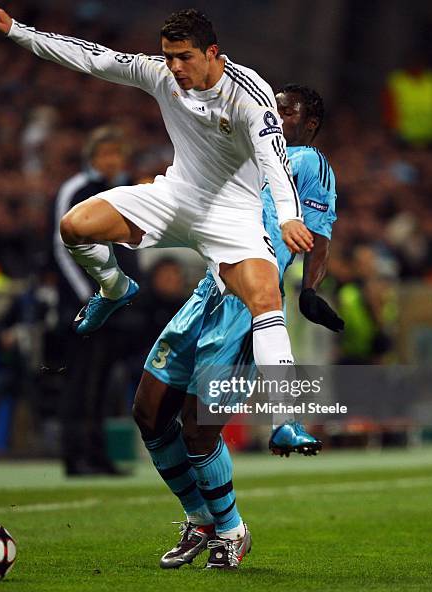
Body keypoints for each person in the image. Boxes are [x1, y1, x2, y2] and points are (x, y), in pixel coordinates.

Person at [0, 6, 313, 451]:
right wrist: (18, 31)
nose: (174, 67)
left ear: (213, 53)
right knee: (74, 226)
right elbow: (93, 58)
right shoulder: (161, 75)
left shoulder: (250, 95)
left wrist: (288, 215)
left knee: (265, 300)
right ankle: (115, 287)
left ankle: (285, 420)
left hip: (232, 215)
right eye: (168, 56)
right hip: (174, 197)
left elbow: (275, 161)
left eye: (184, 57)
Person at [132, 85, 342, 569]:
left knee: (199, 428)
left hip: (250, 303)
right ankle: (200, 520)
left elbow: (320, 236)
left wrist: (309, 291)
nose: (274, 114)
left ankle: (230, 531)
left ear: (308, 124)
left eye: (285, 111)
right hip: (207, 291)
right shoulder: (245, 152)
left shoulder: (309, 162)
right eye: (273, 106)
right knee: (147, 412)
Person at [53, 126, 141, 475]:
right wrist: (87, 297)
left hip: (115, 305)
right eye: (105, 154)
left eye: (116, 154)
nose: (111, 161)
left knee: (103, 383)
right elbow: (60, 248)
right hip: (84, 304)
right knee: (80, 380)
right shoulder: (76, 190)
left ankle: (98, 455)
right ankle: (75, 457)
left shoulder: (122, 190)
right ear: (92, 157)